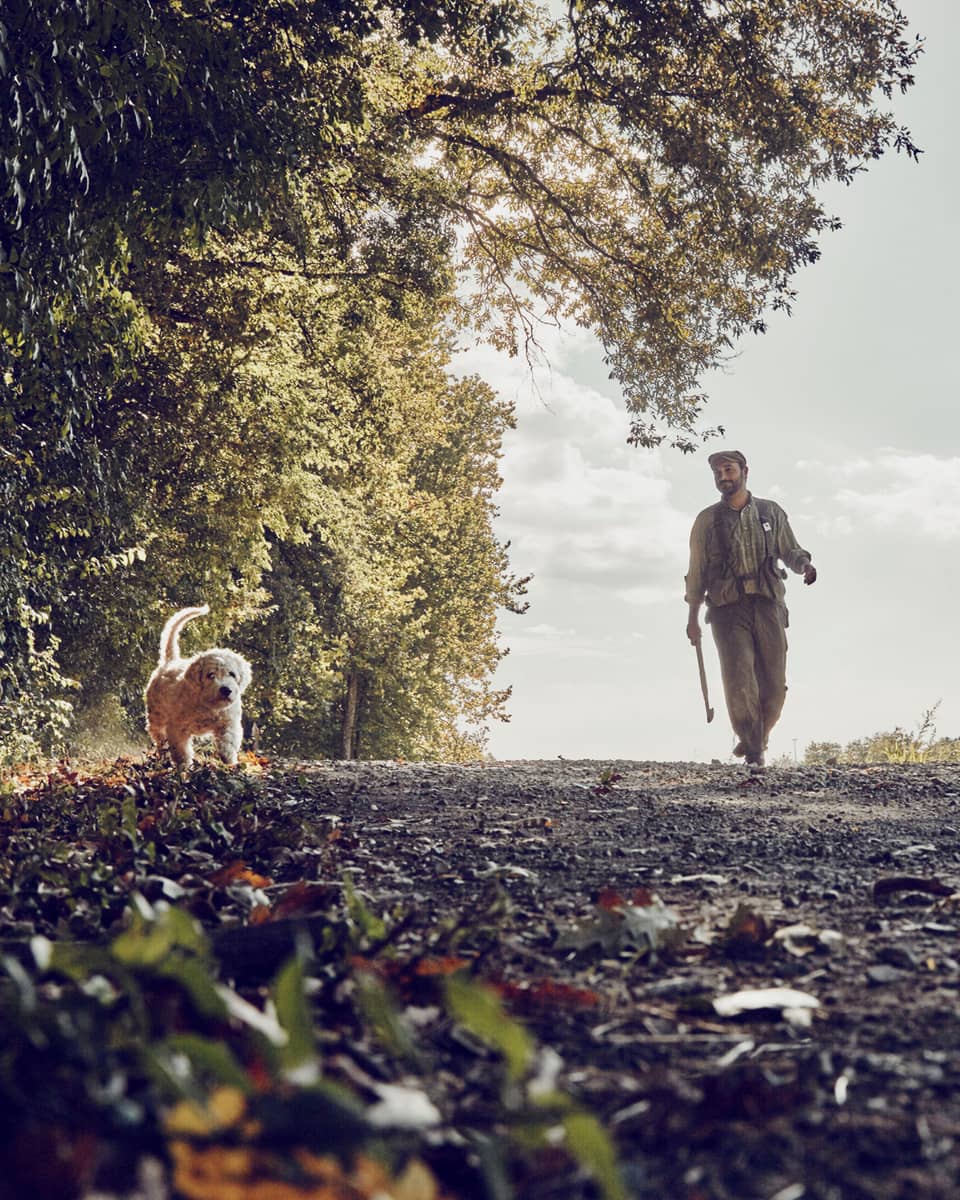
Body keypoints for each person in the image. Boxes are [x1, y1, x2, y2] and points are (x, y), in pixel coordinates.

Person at [685, 450, 817, 768]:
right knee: (740, 678)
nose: (723, 477)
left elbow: (790, 549)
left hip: (768, 603)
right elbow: (697, 570)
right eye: (717, 473)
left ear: (744, 471)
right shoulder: (707, 521)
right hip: (726, 609)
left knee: (774, 683)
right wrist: (692, 617)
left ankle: (758, 737)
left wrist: (805, 566)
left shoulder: (770, 513)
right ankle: (754, 749)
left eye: (728, 470)